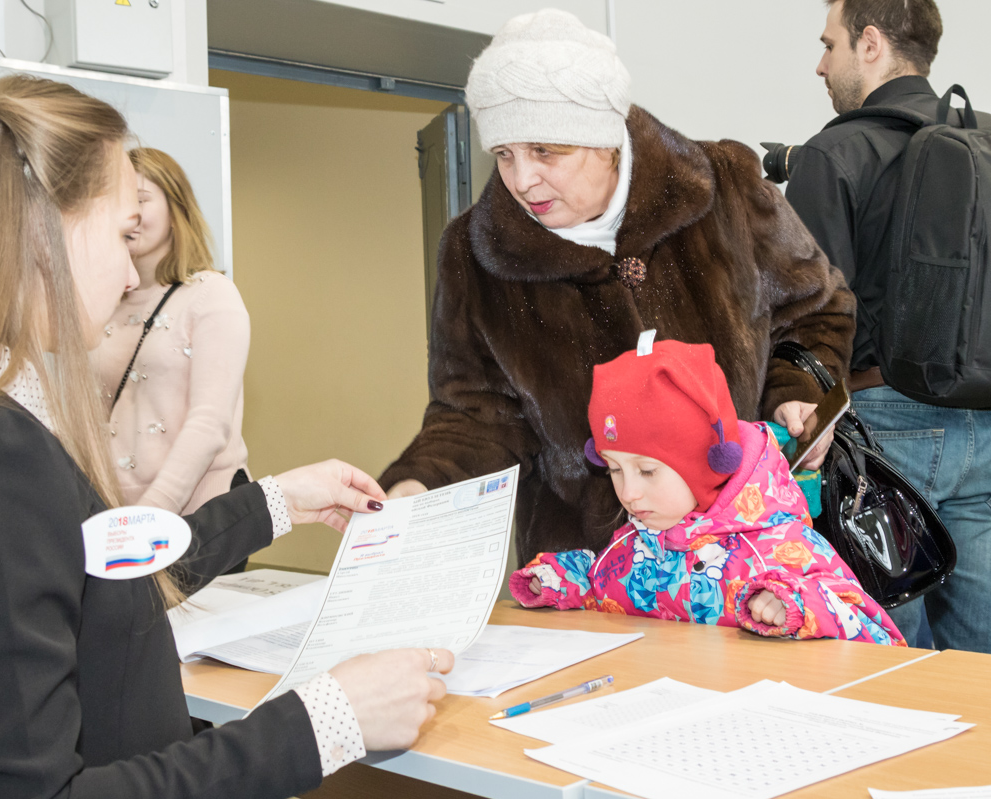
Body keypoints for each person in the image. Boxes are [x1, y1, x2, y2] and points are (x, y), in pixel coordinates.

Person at [0, 75, 452, 799]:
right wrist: (327, 722)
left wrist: (276, 502)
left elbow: (103, 580)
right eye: (121, 231)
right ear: (41, 234)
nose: (133, 273)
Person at [379, 9, 857, 567]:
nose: (522, 179)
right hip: (588, 572)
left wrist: (797, 392)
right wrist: (419, 485)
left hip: (744, 553)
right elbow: (475, 415)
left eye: (545, 151)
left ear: (604, 140)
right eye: (504, 154)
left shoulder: (725, 185)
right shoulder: (474, 252)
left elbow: (816, 311)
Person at [784, 0, 991, 653]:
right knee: (980, 659)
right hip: (985, 424)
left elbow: (805, 318)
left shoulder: (834, 153)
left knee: (884, 657)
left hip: (885, 429)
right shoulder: (986, 143)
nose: (821, 66)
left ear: (870, 43)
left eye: (830, 45)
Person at [509, 335, 904, 646]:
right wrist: (562, 580)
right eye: (614, 468)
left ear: (705, 463)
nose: (628, 493)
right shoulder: (632, 547)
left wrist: (798, 605)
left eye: (647, 471)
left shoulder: (781, 547)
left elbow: (879, 637)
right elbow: (600, 585)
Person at [94, 148, 251, 573]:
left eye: (141, 199)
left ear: (175, 208)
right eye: (116, 201)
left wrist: (151, 518)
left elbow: (209, 423)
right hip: (114, 520)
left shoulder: (210, 294)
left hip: (197, 517)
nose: (129, 213)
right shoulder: (99, 301)